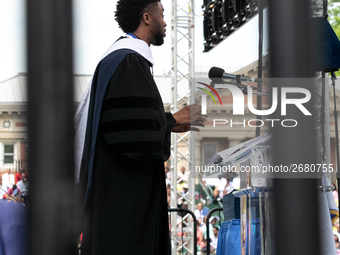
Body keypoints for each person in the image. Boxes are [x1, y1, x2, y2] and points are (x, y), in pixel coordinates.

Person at [76, 1, 206, 254]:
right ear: (147, 18)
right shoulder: (128, 61)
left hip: (121, 195)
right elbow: (131, 134)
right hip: (124, 200)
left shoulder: (123, 59)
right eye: (162, 14)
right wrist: (170, 121)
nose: (166, 22)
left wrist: (166, 125)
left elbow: (132, 121)